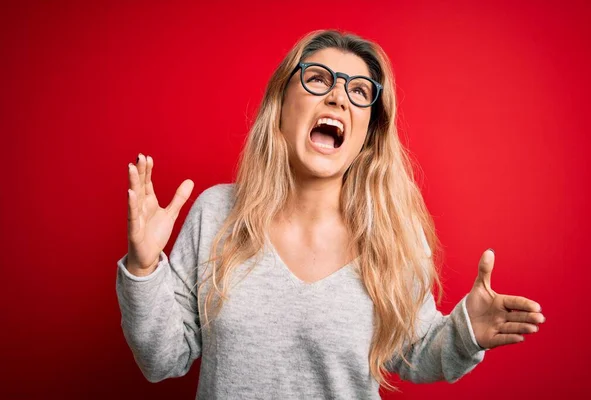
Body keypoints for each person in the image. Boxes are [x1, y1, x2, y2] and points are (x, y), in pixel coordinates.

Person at [116, 30, 545, 399]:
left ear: (368, 134)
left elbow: (414, 353)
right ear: (280, 108)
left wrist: (465, 331)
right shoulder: (217, 213)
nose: (339, 96)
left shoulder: (393, 233)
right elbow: (162, 359)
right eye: (318, 80)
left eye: (359, 91)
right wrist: (144, 266)